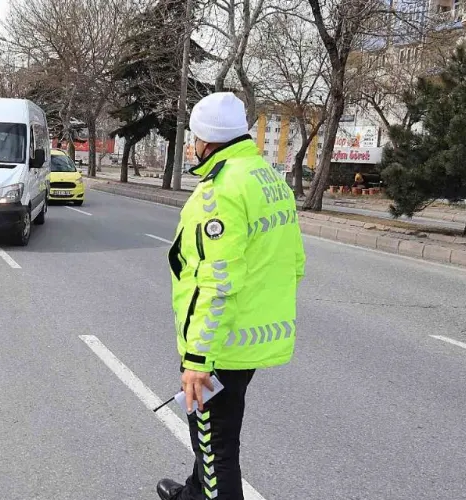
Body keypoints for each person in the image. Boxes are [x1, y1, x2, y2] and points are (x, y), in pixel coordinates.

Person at [159, 92, 305, 500]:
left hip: (220, 346)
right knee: (212, 437)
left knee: (217, 448)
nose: (192, 145)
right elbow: (295, 263)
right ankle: (192, 492)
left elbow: (216, 283)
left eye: (193, 138)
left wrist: (198, 360)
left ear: (206, 142)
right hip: (251, 338)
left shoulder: (220, 191)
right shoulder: (270, 180)